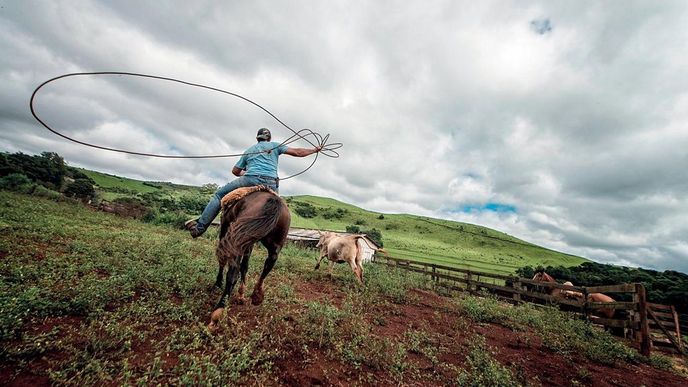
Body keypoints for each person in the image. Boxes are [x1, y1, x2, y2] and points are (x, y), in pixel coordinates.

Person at [185, 127, 320, 238]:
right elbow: (297, 152)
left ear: (257, 138)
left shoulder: (249, 151)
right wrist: (315, 150)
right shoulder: (275, 146)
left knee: (219, 196)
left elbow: (235, 171)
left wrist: (248, 173)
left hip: (250, 180)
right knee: (277, 207)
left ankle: (200, 228)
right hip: (271, 183)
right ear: (269, 138)